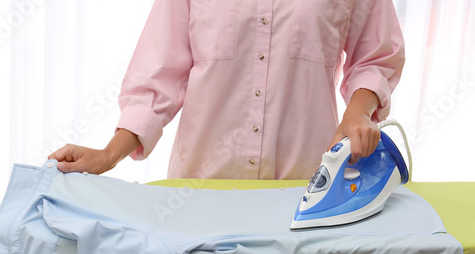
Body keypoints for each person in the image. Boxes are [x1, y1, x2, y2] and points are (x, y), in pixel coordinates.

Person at [49, 0, 405, 180]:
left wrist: (357, 111)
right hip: (200, 192)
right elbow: (158, 74)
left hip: (302, 189)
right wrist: (108, 155)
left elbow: (376, 56)